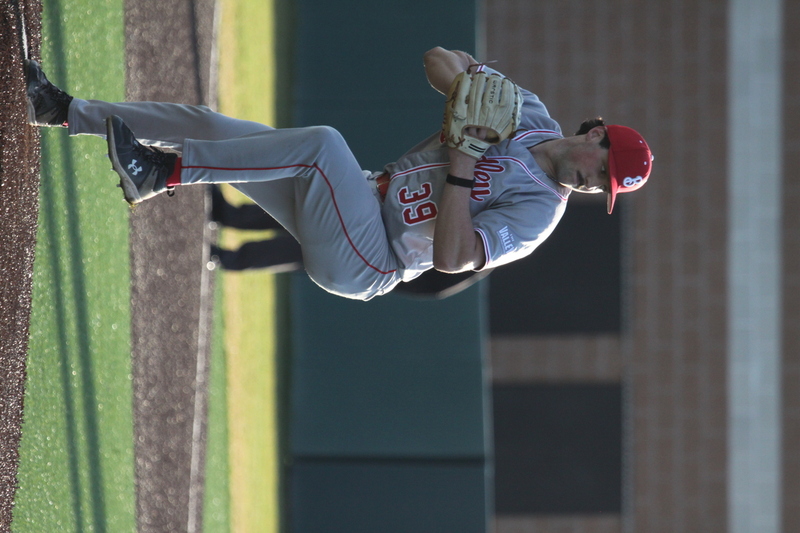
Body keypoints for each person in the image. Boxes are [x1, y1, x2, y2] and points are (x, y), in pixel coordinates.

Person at [24, 47, 653, 301]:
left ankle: (160, 172)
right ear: (596, 135)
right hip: (362, 195)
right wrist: (467, 85)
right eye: (609, 166)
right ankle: (63, 110)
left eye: (610, 187)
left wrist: (463, 160)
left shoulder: (540, 214)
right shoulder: (531, 115)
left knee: (323, 145)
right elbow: (439, 58)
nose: (602, 182)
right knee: (207, 123)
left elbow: (455, 260)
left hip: (370, 259)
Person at [208, 185, 490, 299]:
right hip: (383, 220)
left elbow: (436, 284)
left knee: (308, 247)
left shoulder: (486, 246)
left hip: (383, 255)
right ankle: (233, 216)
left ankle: (230, 259)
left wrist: (389, 268)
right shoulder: (480, 209)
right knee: (310, 211)